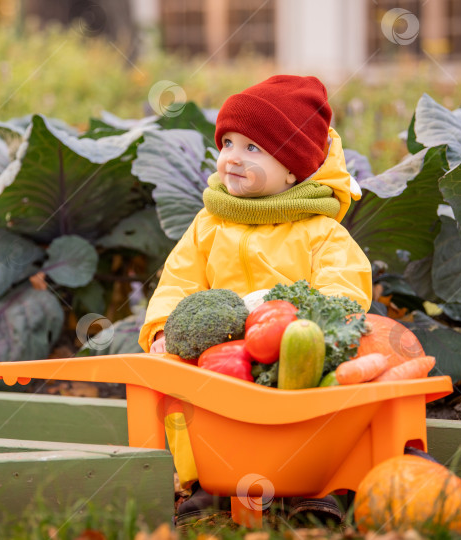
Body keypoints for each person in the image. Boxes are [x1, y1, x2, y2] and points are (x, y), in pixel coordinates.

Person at [138, 75, 373, 523]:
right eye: (227, 143)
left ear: (292, 169)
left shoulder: (320, 232)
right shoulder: (208, 225)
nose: (232, 158)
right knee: (195, 395)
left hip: (290, 351)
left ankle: (315, 487)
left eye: (253, 149)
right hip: (220, 353)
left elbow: (344, 287)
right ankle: (213, 483)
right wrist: (164, 327)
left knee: (316, 401)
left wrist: (312, 327)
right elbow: (178, 281)